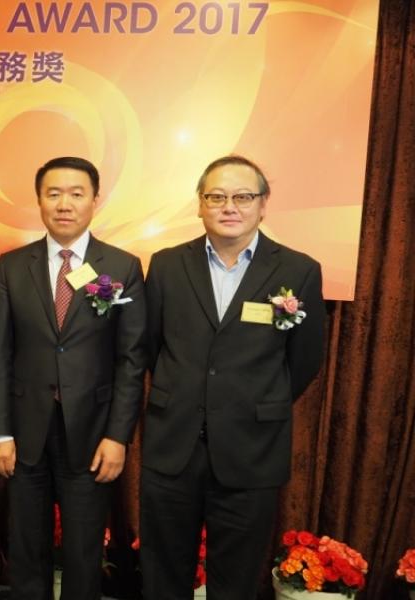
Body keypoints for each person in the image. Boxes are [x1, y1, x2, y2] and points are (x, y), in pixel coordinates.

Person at [139, 155, 325, 599]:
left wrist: (252, 400)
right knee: (163, 573)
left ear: (263, 205)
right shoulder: (166, 265)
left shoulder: (298, 270)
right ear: (200, 205)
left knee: (236, 579)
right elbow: (149, 347)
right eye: (216, 196)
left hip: (251, 448)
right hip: (174, 443)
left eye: (243, 196)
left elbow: (304, 359)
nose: (229, 207)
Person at [0, 156, 147, 599]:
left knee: (82, 550)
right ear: (39, 200)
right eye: (53, 194)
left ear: (96, 199)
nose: (64, 204)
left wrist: (118, 436)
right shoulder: (13, 265)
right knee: (26, 546)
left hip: (91, 433)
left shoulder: (122, 266)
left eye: (76, 194)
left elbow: (130, 360)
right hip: (24, 430)